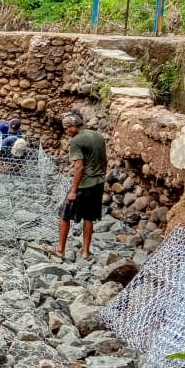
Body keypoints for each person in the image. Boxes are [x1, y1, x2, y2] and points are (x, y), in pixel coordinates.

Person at [56, 111, 107, 260]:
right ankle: (85, 252)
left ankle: (60, 249)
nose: (66, 132)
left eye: (67, 128)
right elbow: (105, 160)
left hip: (84, 185)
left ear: (73, 126)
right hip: (98, 183)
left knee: (64, 215)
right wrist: (101, 176)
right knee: (89, 217)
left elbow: (79, 167)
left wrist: (73, 191)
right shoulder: (98, 136)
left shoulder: (76, 141)